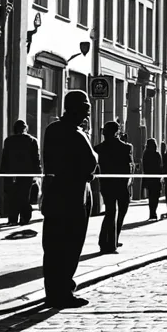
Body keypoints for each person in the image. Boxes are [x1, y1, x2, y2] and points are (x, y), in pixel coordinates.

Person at [40, 91, 98, 308]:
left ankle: (52, 291)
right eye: (86, 109)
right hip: (75, 196)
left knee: (53, 246)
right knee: (70, 245)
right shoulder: (77, 134)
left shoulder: (51, 129)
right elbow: (91, 163)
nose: (87, 114)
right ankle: (63, 291)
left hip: (54, 194)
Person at [94, 122, 133, 254]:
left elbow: (96, 169)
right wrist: (128, 182)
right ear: (117, 132)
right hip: (121, 184)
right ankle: (112, 241)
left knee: (110, 212)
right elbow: (129, 167)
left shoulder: (98, 148)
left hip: (106, 184)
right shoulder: (126, 147)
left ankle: (106, 241)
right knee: (121, 212)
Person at [0, 120, 40, 226]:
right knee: (24, 195)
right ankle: (25, 217)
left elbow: (5, 158)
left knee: (12, 195)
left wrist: (2, 172)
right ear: (25, 128)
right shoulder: (32, 141)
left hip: (11, 173)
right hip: (27, 172)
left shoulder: (8, 141)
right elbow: (36, 158)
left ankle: (13, 218)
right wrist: (38, 173)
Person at [141, 138, 163, 220]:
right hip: (156, 178)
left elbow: (144, 166)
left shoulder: (145, 154)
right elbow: (160, 166)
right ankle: (154, 211)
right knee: (156, 196)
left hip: (149, 177)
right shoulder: (157, 154)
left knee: (151, 196)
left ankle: (152, 212)